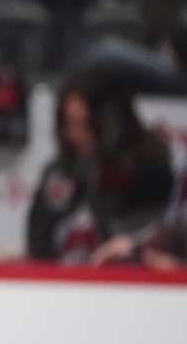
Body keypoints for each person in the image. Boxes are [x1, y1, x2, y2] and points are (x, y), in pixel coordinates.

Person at [26, 78, 174, 264]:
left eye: (85, 124)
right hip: (64, 283)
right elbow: (39, 240)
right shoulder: (61, 172)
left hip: (129, 280)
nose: (74, 134)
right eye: (68, 123)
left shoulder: (148, 168)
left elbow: (157, 234)